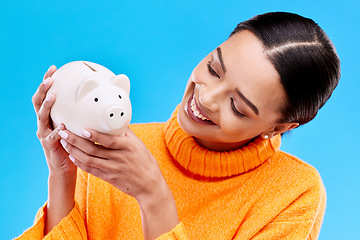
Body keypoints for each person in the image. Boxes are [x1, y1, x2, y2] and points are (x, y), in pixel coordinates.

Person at [16, 12, 340, 240]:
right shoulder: (118, 146)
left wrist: (153, 195)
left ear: (280, 127)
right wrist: (62, 174)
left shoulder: (293, 192)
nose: (207, 97)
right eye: (214, 68)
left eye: (238, 106)